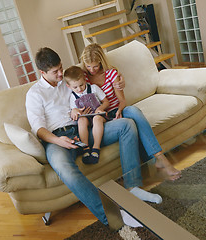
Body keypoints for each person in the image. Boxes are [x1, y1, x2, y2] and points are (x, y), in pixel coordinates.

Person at [26, 47, 162, 225]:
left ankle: (133, 186)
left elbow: (96, 74)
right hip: (57, 139)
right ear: (42, 72)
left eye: (61, 67)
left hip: (85, 130)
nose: (61, 73)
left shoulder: (68, 80)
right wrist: (59, 140)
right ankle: (112, 216)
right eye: (55, 72)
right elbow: (38, 129)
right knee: (64, 168)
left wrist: (120, 82)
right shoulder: (35, 94)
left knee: (127, 125)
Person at [80, 43, 181, 179]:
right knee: (129, 124)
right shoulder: (83, 78)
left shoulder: (111, 74)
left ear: (101, 62)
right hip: (100, 118)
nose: (92, 70)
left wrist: (119, 110)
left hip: (116, 109)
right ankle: (150, 167)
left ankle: (160, 158)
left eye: (95, 66)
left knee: (133, 111)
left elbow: (122, 101)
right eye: (88, 66)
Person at [64, 65, 109, 164]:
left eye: (82, 85)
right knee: (81, 120)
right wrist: (76, 111)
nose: (79, 89)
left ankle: (96, 148)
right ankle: (85, 147)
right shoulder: (72, 96)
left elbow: (106, 102)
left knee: (97, 118)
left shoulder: (93, 88)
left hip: (99, 116)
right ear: (69, 86)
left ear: (85, 80)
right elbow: (73, 111)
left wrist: (100, 108)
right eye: (75, 87)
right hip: (86, 118)